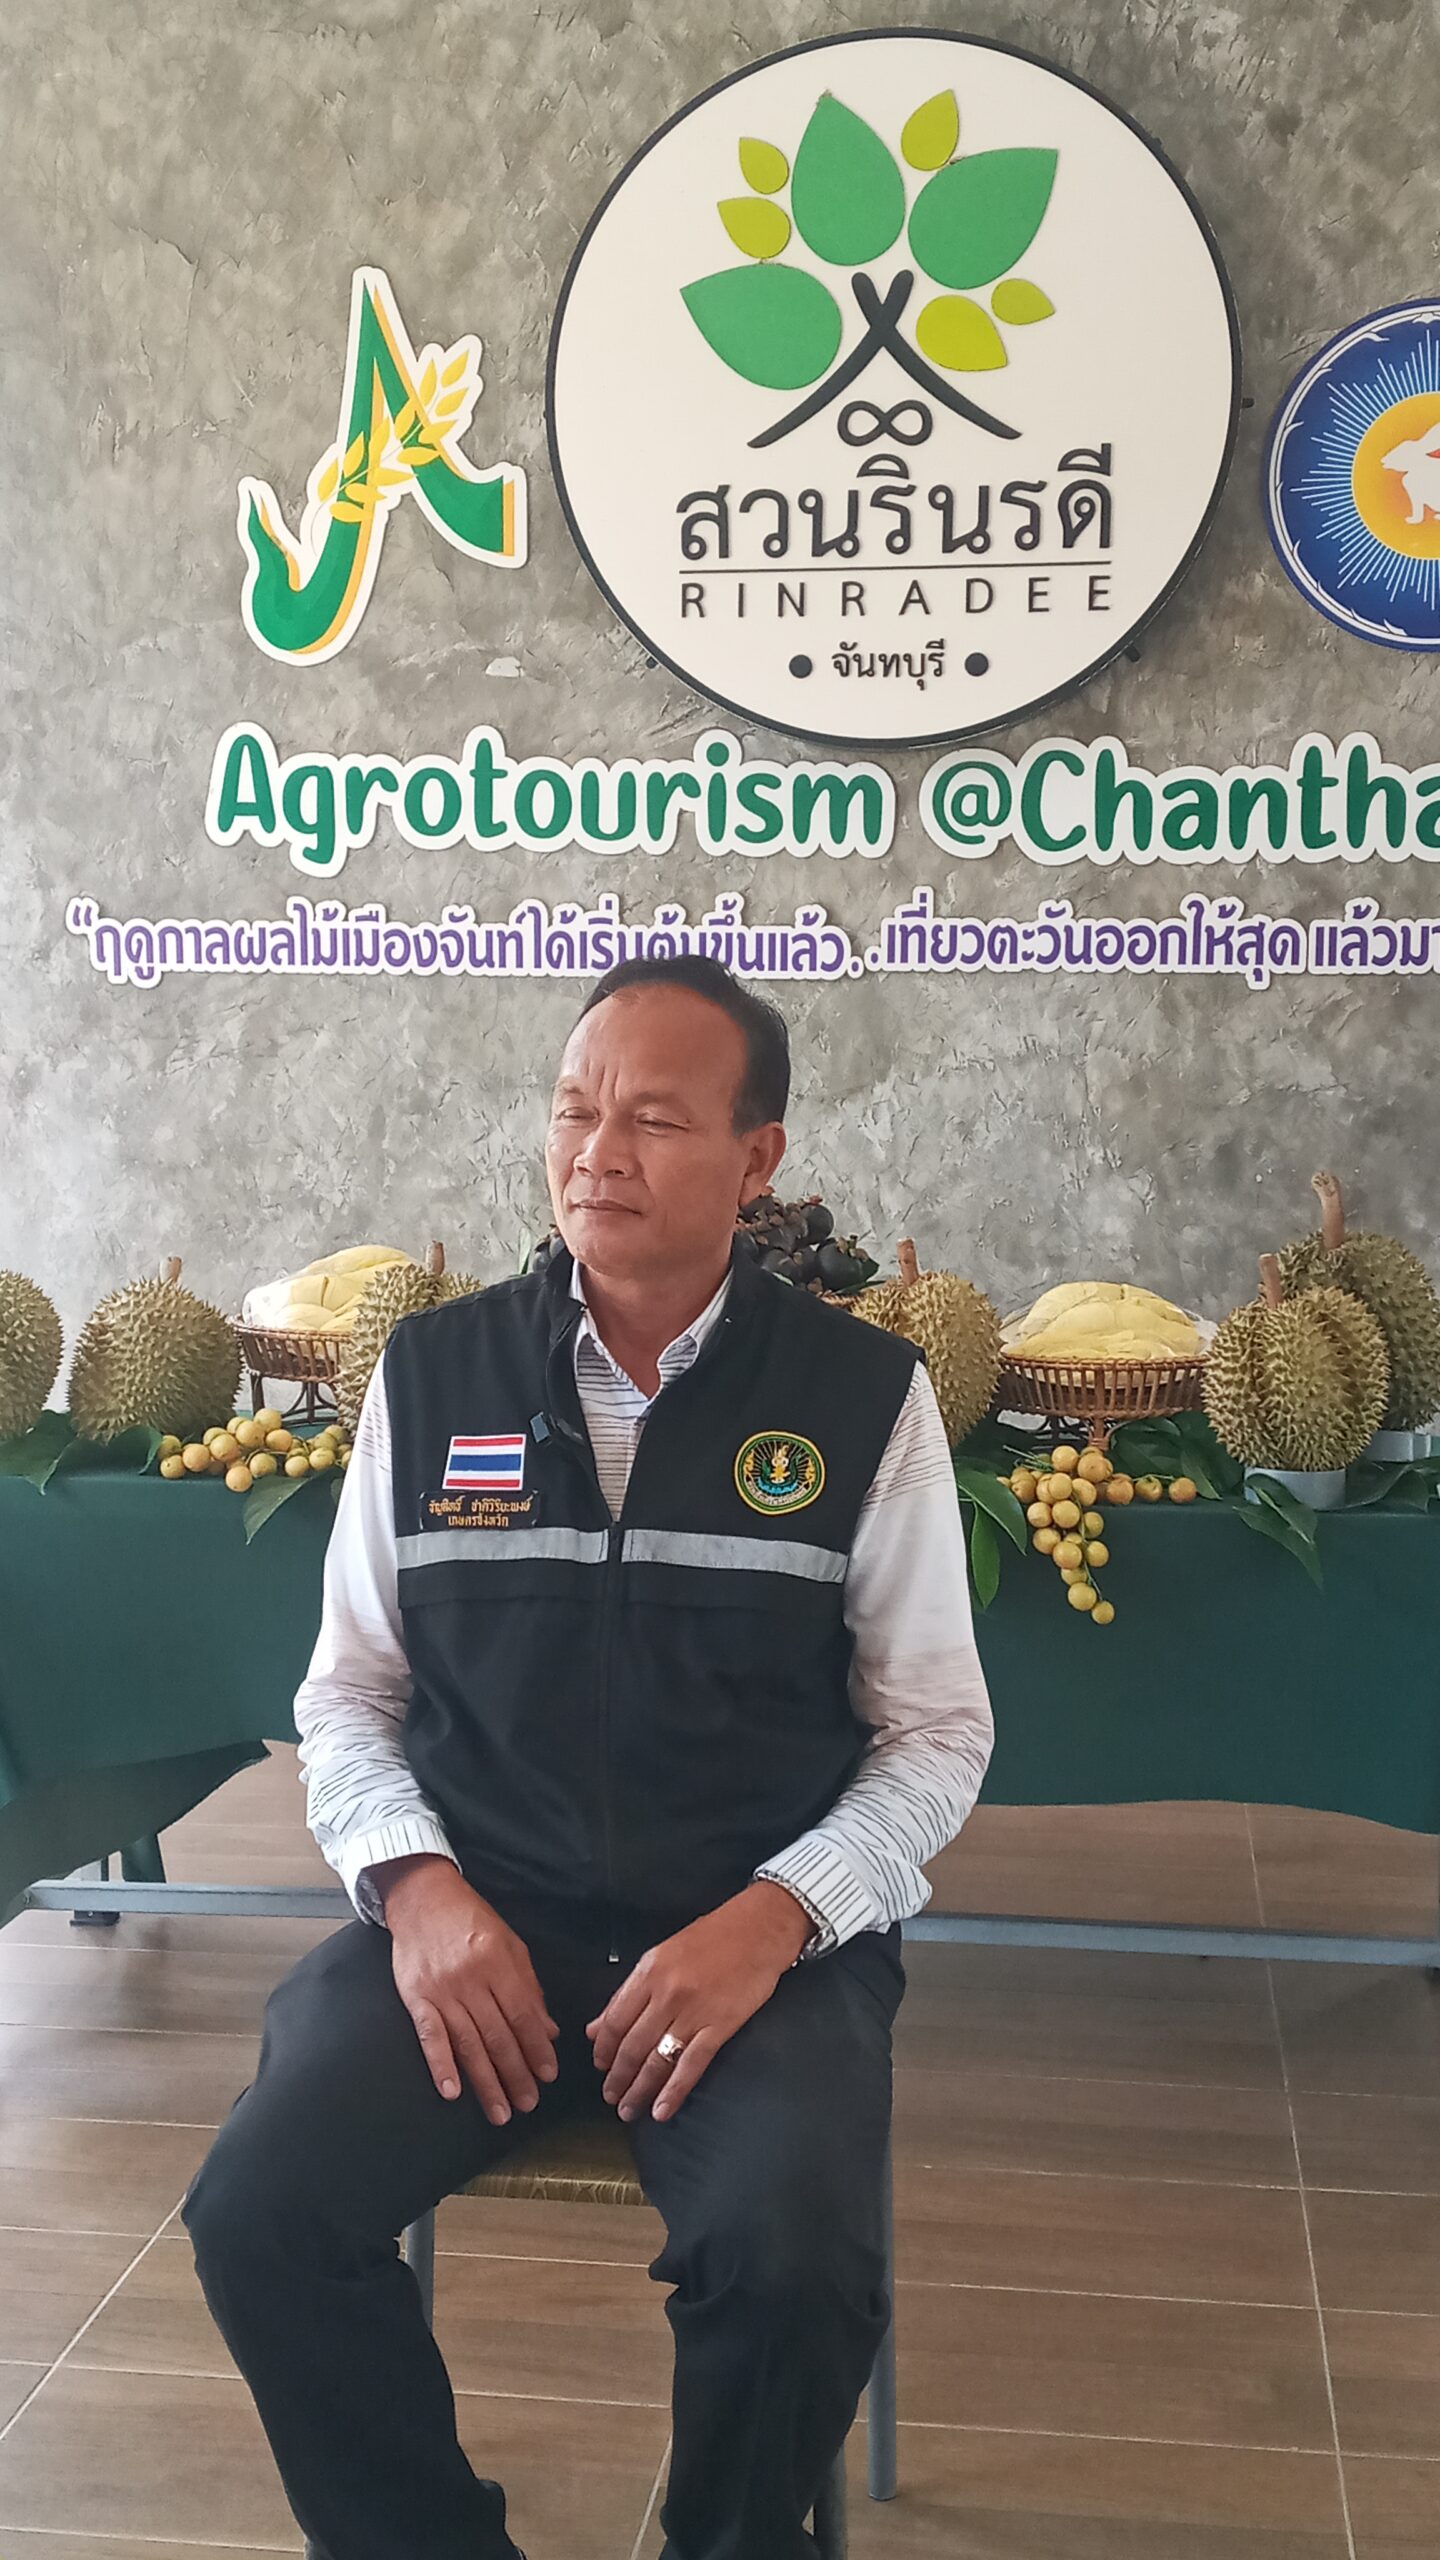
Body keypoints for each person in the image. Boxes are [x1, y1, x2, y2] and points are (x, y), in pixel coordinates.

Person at [181, 955, 994, 2560]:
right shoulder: (433, 1377)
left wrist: (775, 1919)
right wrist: (417, 1892)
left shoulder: (861, 1398)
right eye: (573, 1112)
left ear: (758, 1159)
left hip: (753, 1944)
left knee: (792, 2263)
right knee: (260, 2214)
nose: (597, 1156)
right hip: (482, 1920)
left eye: (655, 1121)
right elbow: (348, 1696)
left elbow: (935, 1733)